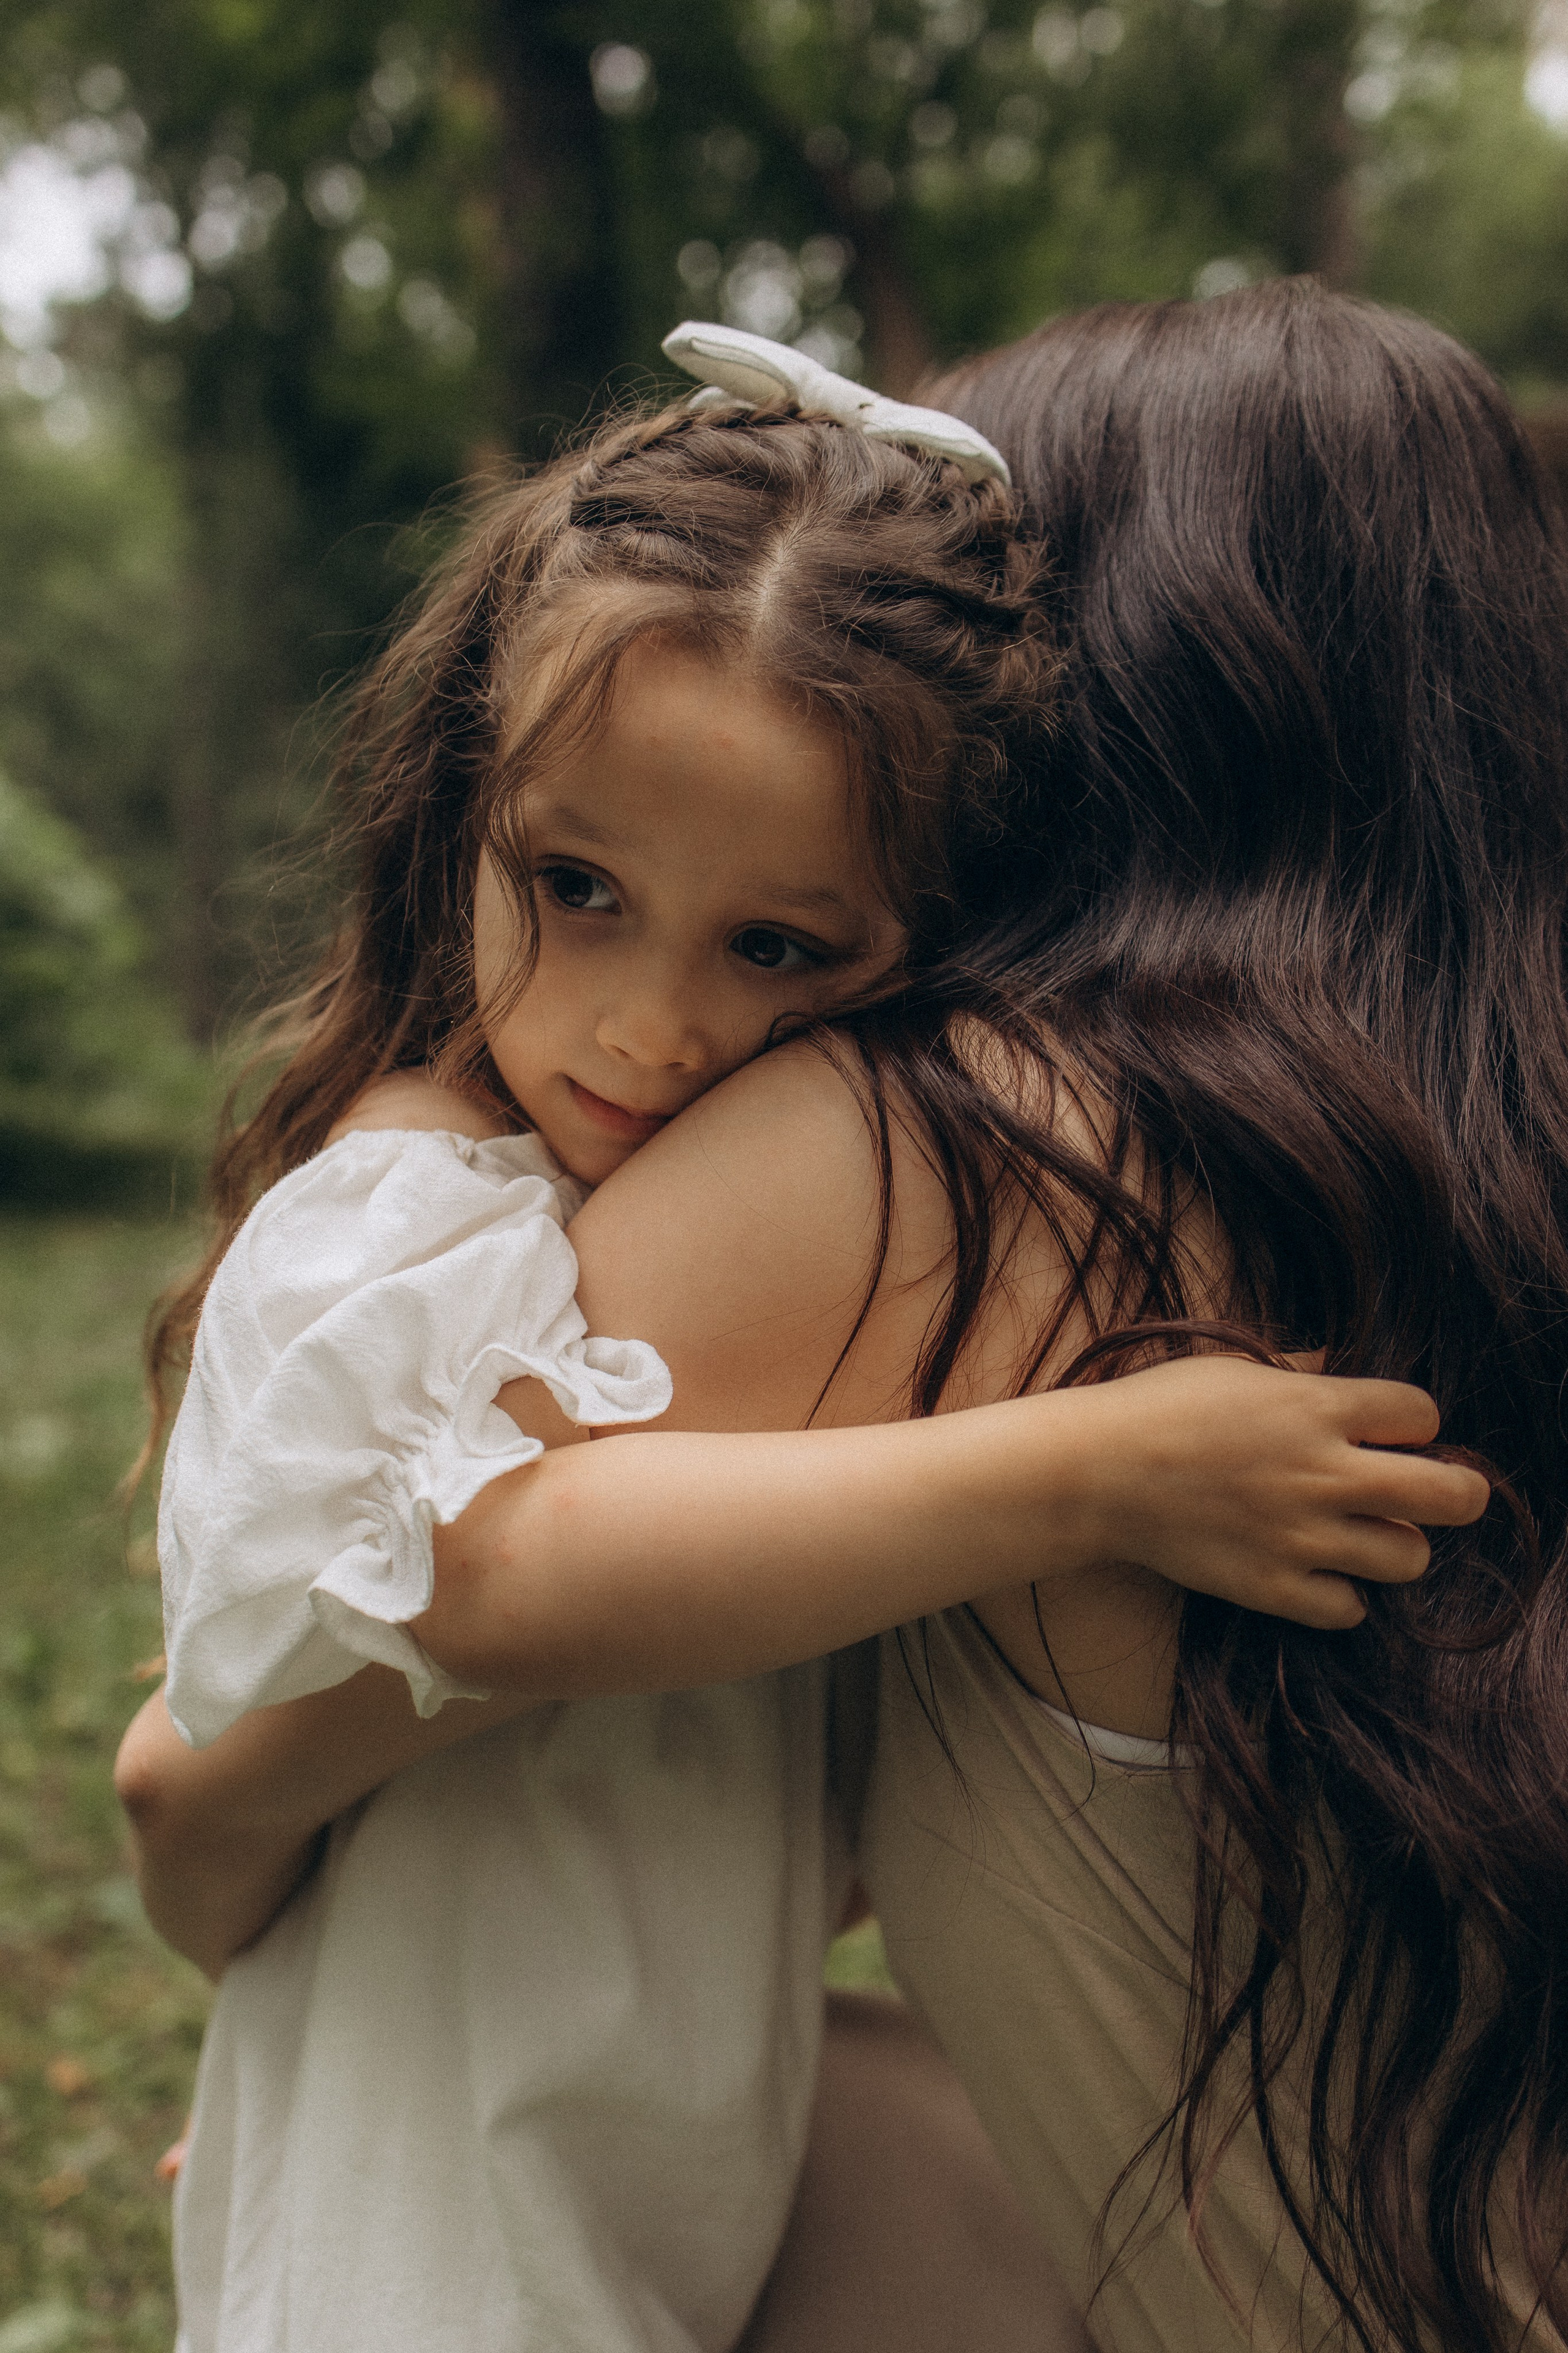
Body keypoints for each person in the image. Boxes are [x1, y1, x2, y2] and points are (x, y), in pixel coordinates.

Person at [117, 300, 1495, 2351]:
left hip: (639, 2143)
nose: (656, 1023)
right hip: (477, 2204)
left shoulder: (696, 1229)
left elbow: (775, 1775)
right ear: (457, 819)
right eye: (574, 886)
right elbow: (490, 1573)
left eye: (779, 946)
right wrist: (1099, 1467)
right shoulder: (403, 1205)